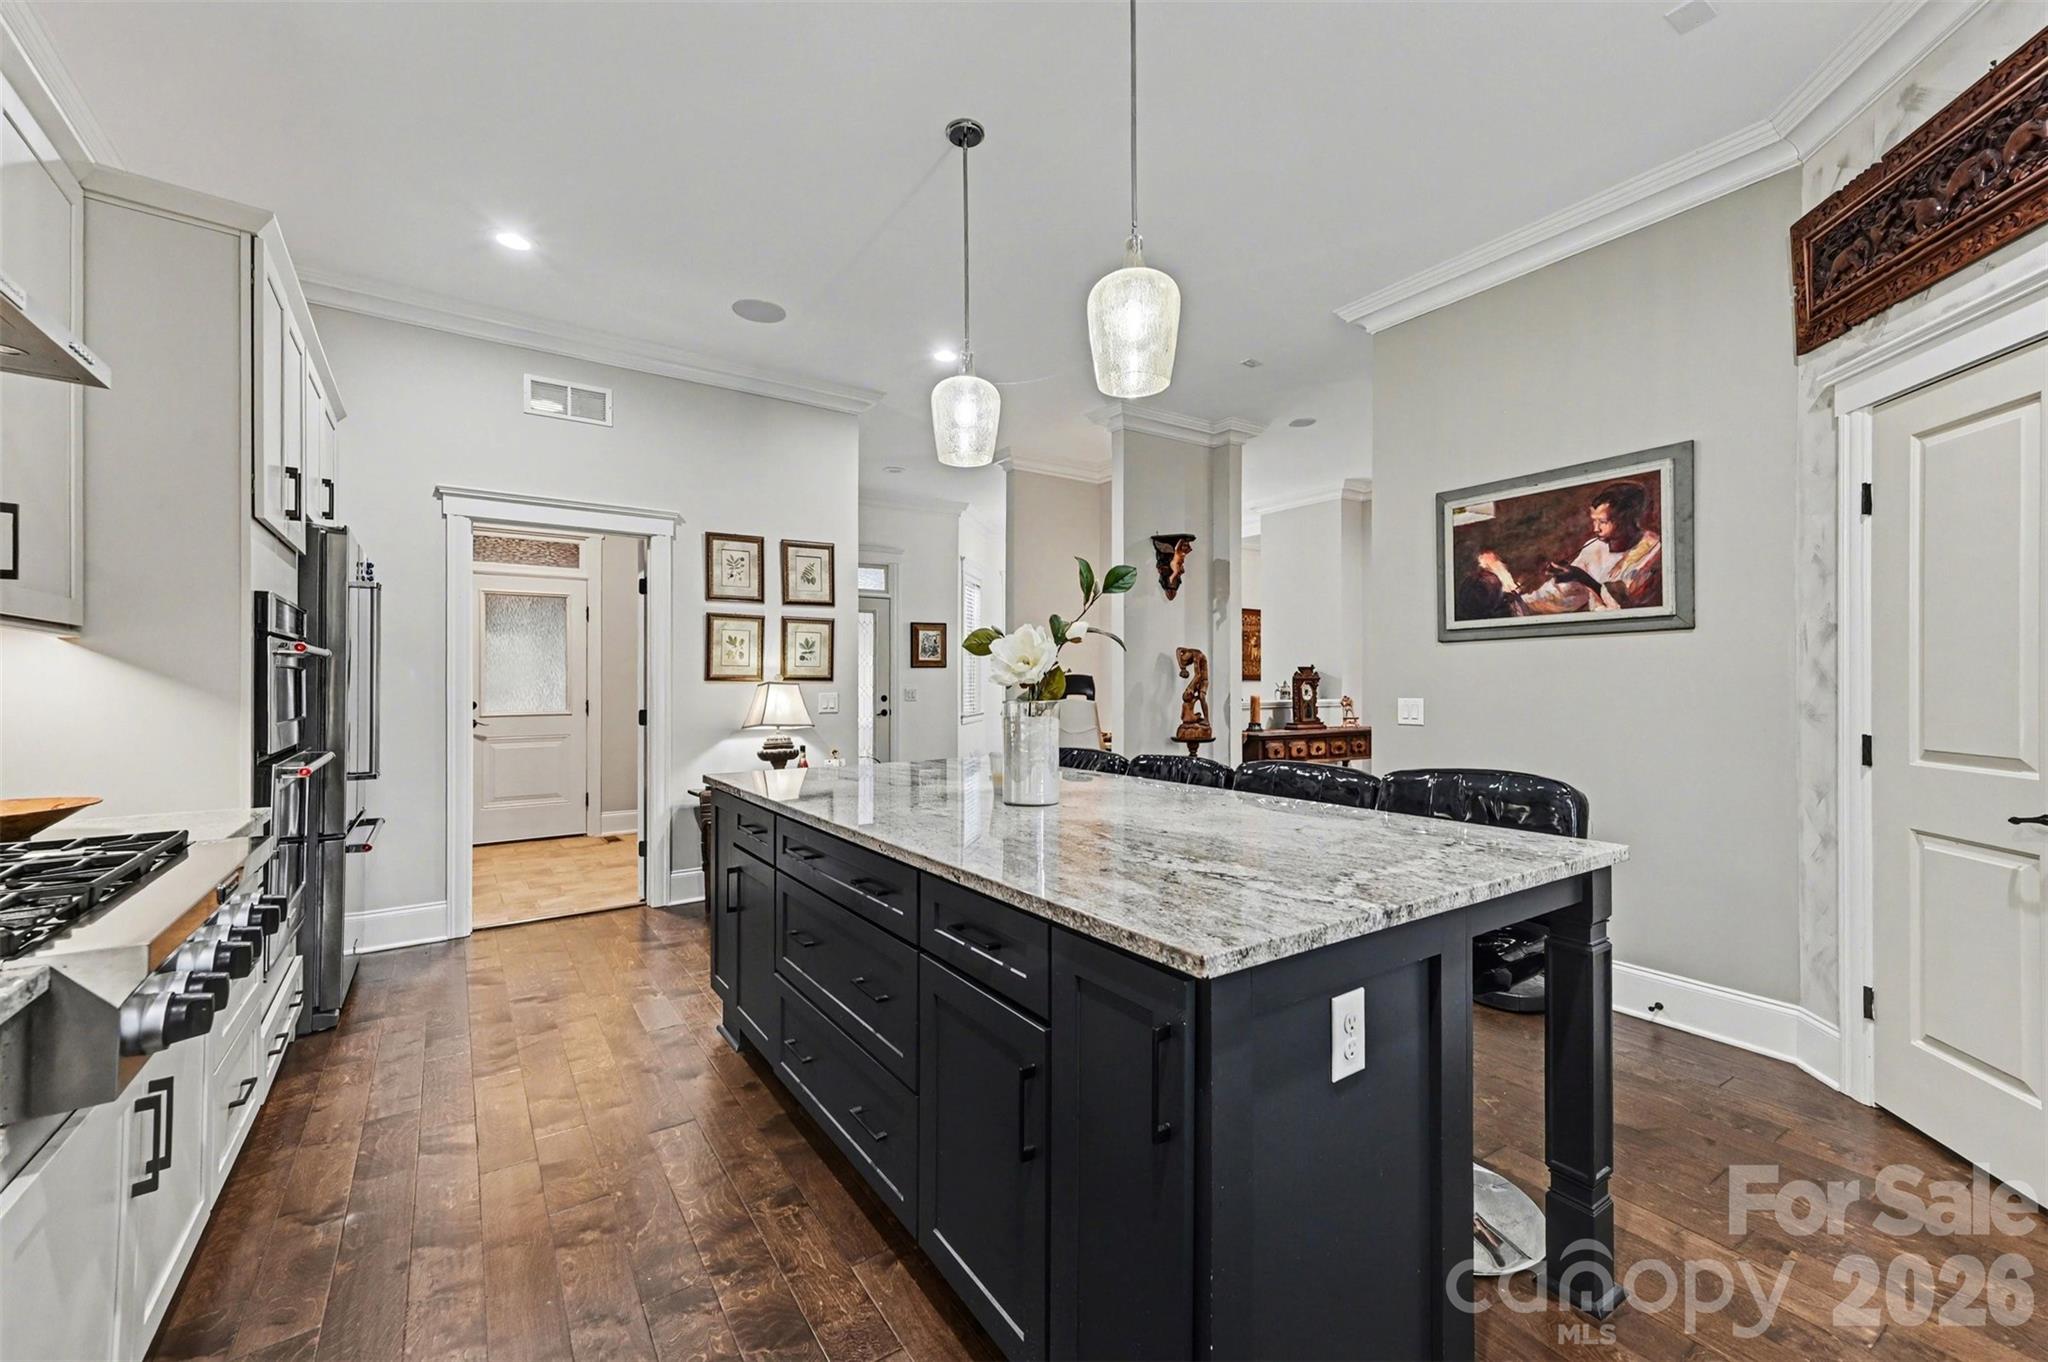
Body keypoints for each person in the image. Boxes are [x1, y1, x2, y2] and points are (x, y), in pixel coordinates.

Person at [1472, 481, 1661, 615]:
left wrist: (1582, 577)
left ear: (1627, 519)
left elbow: (1626, 606)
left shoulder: (1653, 550)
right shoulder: (1595, 548)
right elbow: (1565, 595)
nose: (1595, 529)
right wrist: (1519, 601)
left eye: (1603, 522)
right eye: (1594, 521)